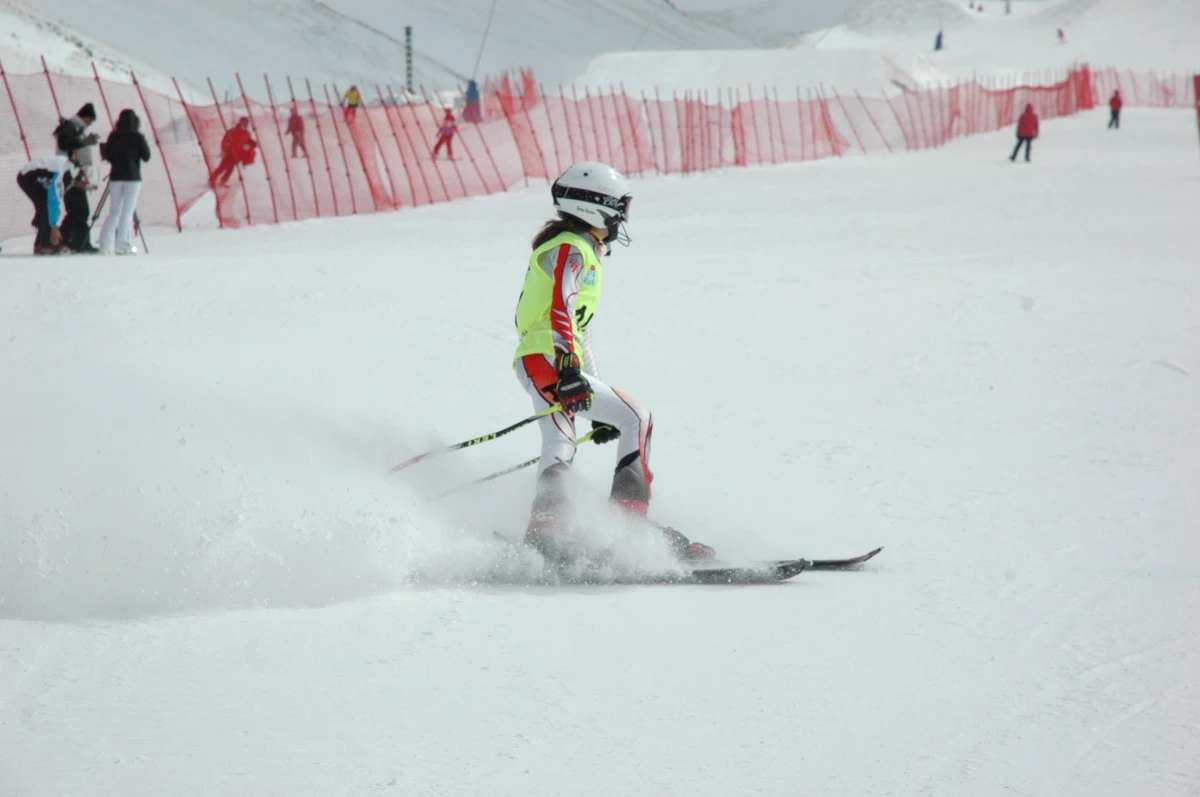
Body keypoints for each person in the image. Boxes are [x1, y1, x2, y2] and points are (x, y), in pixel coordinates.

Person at [512, 161, 715, 563]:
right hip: (548, 356)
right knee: (630, 418)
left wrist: (588, 383)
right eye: (618, 207)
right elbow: (560, 306)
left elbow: (580, 331)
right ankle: (618, 524)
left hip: (549, 357)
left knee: (589, 430)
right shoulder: (571, 247)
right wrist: (569, 370)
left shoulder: (581, 248)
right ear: (594, 206)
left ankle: (552, 530)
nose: (622, 217)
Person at [98, 108, 151, 255]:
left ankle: (104, 243)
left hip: (115, 177)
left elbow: (107, 156)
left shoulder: (113, 136)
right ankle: (122, 244)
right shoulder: (138, 136)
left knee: (114, 211)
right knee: (127, 211)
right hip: (133, 178)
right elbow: (146, 156)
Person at [16, 153, 79, 255]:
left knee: (46, 209)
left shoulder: (66, 167)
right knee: (46, 209)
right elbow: (54, 200)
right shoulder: (62, 174)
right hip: (26, 178)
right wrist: (54, 225)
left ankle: (42, 239)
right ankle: (43, 244)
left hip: (34, 176)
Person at [209, 117, 256, 187]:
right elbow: (224, 141)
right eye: (243, 123)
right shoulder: (232, 131)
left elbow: (248, 142)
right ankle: (212, 180)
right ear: (240, 123)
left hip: (237, 155)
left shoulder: (247, 134)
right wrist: (223, 150)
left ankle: (223, 181)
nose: (245, 125)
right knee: (222, 167)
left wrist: (251, 145)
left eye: (246, 123)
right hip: (229, 153)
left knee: (230, 169)